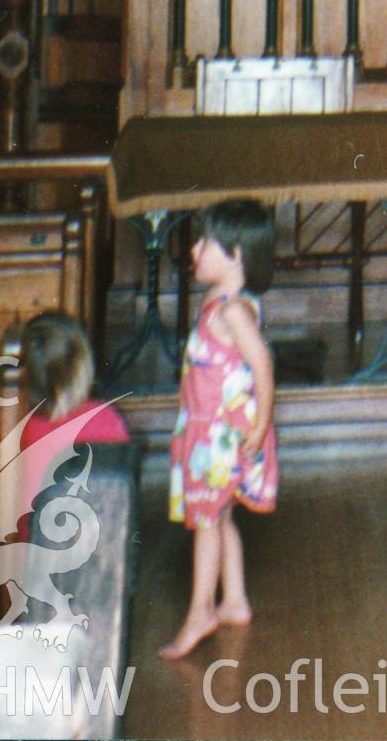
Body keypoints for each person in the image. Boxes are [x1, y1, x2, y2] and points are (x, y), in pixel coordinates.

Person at [160, 198, 277, 660]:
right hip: (206, 427)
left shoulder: (233, 312)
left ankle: (199, 612)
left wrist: (262, 422)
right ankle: (235, 600)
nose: (195, 248)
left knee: (207, 521)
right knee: (220, 516)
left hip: (223, 436)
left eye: (206, 242)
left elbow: (263, 367)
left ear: (237, 256)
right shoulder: (220, 300)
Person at [17, 312, 131, 513]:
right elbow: (121, 498)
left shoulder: (21, 428)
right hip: (97, 539)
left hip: (32, 541)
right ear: (82, 366)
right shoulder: (104, 420)